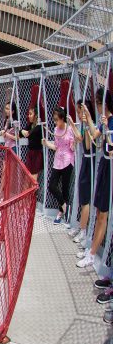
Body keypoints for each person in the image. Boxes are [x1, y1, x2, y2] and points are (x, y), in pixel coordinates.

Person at [77, 88, 113, 268]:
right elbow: (94, 135)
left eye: (98, 103)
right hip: (103, 167)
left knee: (103, 215)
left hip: (110, 169)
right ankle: (92, 249)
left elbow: (110, 145)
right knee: (98, 211)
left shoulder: (111, 121)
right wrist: (89, 119)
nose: (97, 107)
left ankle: (92, 254)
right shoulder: (105, 121)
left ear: (103, 104)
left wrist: (106, 128)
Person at [42, 107, 81, 224]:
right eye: (54, 120)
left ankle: (61, 213)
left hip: (68, 161)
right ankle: (64, 205)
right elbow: (56, 146)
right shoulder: (55, 129)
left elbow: (76, 141)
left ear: (62, 119)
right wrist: (46, 143)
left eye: (56, 120)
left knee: (65, 187)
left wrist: (73, 130)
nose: (55, 122)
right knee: (51, 185)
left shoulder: (69, 129)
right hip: (57, 160)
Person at [69, 101, 95, 242]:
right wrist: (73, 125)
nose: (79, 115)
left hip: (90, 162)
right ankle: (81, 226)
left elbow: (86, 144)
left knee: (85, 199)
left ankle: (84, 230)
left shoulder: (91, 127)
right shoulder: (87, 126)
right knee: (82, 196)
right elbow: (79, 139)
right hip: (86, 161)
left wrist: (84, 125)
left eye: (80, 112)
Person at [0, 102, 19, 200]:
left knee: (10, 172)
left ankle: (8, 194)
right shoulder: (6, 120)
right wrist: (1, 133)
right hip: (6, 147)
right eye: (6, 108)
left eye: (8, 109)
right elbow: (5, 134)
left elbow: (17, 137)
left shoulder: (15, 122)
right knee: (4, 171)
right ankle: (1, 192)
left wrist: (6, 134)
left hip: (12, 148)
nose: (6, 110)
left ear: (13, 111)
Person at [20, 107, 43, 182]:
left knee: (34, 177)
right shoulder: (30, 125)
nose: (29, 116)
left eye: (30, 114)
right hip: (30, 152)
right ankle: (29, 193)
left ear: (36, 115)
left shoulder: (39, 127)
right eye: (28, 114)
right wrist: (22, 131)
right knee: (28, 175)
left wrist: (25, 132)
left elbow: (28, 133)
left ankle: (33, 193)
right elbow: (20, 133)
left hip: (37, 153)